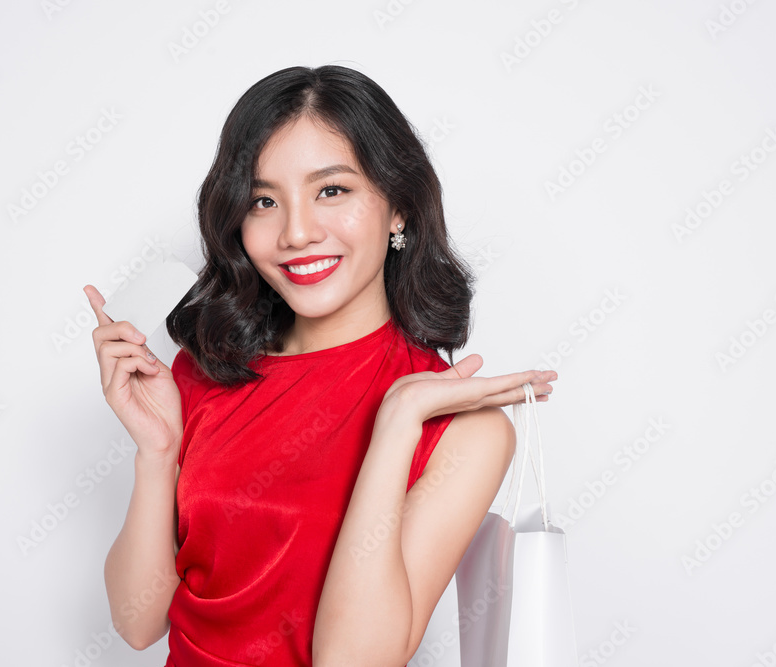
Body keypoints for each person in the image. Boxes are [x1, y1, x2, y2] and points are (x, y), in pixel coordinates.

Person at [83, 64, 557, 666]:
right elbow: (137, 622)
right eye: (263, 200)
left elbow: (352, 661)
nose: (297, 232)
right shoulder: (205, 376)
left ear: (399, 210)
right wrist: (155, 454)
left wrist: (396, 421)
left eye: (331, 190)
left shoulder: (464, 431)